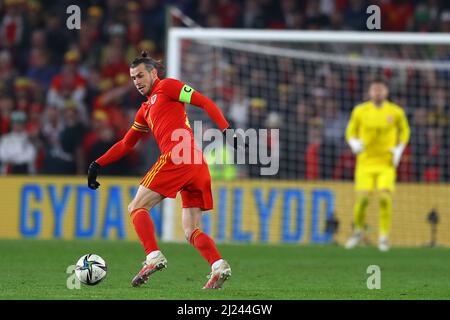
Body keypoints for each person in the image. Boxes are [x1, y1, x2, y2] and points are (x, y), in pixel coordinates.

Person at [87, 51, 235, 289]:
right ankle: (218, 265)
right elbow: (126, 143)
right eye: (133, 78)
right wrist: (98, 163)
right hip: (195, 162)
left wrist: (226, 130)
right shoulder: (145, 110)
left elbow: (204, 101)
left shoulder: (167, 87)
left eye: (140, 75)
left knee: (136, 206)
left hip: (179, 156)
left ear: (153, 73)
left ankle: (153, 256)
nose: (137, 81)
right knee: (191, 231)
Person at [344, 78, 410, 252]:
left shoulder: (396, 112)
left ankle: (383, 237)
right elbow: (350, 130)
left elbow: (405, 131)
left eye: (381, 89)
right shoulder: (360, 110)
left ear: (386, 92)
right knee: (363, 199)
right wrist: (352, 143)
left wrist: (399, 149)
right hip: (365, 163)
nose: (378, 92)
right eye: (375, 89)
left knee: (384, 198)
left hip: (386, 163)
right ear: (369, 92)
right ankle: (358, 231)